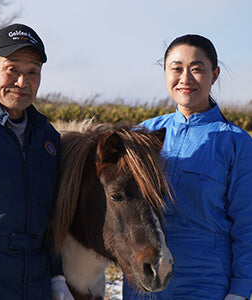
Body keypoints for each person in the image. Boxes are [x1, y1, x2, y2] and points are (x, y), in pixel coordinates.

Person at [123, 34, 252, 300]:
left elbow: (247, 225)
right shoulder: (143, 135)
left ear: (214, 75)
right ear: (165, 73)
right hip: (144, 285)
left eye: (197, 69)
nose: (185, 78)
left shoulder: (236, 143)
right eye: (176, 68)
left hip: (205, 284)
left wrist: (240, 291)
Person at [0, 24, 73, 299]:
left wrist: (56, 274)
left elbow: (52, 217)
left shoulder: (48, 138)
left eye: (32, 72)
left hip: (35, 282)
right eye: (12, 69)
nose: (22, 81)